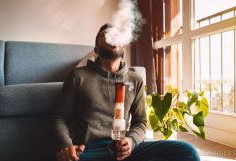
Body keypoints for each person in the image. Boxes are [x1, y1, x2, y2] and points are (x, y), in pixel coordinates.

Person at [52, 23, 200, 161]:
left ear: (123, 47)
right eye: (105, 34)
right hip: (90, 150)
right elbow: (61, 117)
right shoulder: (77, 76)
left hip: (125, 150)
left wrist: (131, 141)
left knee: (187, 151)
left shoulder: (135, 80)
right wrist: (66, 145)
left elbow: (140, 122)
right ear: (96, 50)